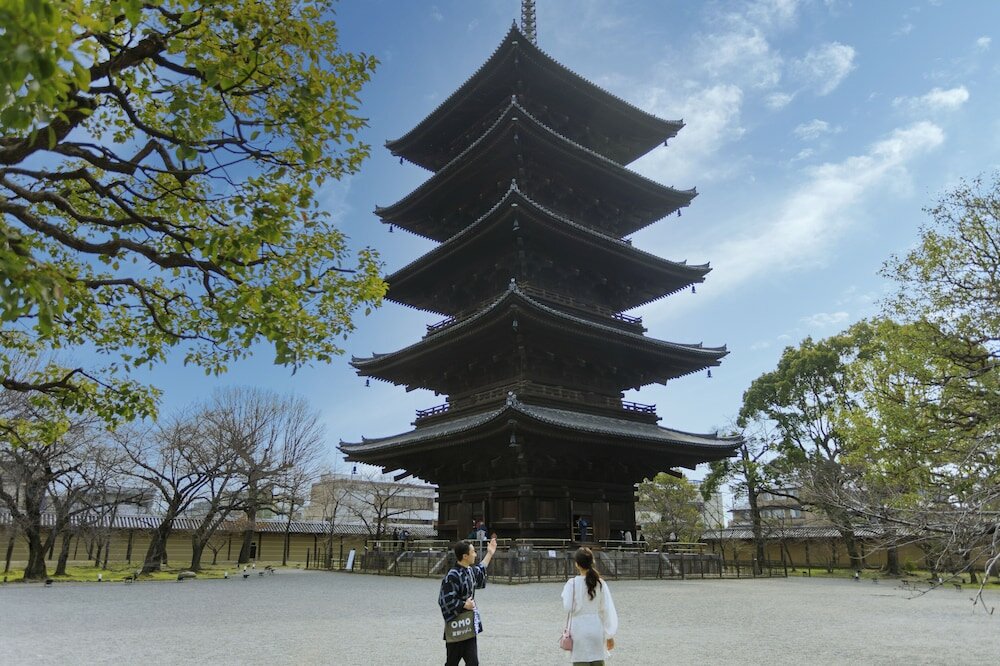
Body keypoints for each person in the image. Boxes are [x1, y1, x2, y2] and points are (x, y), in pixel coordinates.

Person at [439, 535, 498, 666]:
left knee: (473, 663)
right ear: (465, 556)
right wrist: (463, 604)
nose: (475, 555)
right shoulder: (452, 575)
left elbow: (480, 569)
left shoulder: (469, 571)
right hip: (456, 625)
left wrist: (489, 553)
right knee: (452, 662)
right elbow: (444, 600)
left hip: (468, 624)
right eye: (473, 552)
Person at [561, 547, 618, 665]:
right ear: (592, 562)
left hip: (579, 629)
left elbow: (568, 607)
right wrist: (610, 634)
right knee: (598, 660)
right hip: (596, 627)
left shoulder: (572, 584)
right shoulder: (600, 583)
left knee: (580, 661)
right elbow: (606, 610)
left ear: (577, 564)